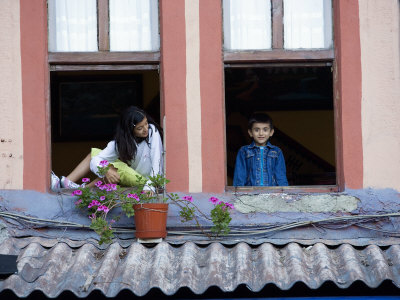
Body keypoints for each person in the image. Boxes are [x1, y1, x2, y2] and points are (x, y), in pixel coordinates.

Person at [51, 106, 164, 191]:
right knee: (95, 156)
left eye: (146, 123)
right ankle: (68, 185)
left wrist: (150, 186)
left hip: (147, 182)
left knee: (114, 169)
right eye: (140, 128)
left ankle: (76, 189)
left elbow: (157, 163)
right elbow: (95, 160)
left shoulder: (152, 132)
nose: (145, 129)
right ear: (129, 130)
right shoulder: (120, 143)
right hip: (134, 177)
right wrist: (106, 170)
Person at [233, 113, 288, 186]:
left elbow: (281, 176)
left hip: (272, 193)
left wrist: (285, 193)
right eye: (256, 130)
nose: (261, 133)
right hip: (249, 194)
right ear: (250, 133)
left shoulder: (277, 151)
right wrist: (237, 193)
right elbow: (239, 175)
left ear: (271, 132)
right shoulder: (244, 151)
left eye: (265, 130)